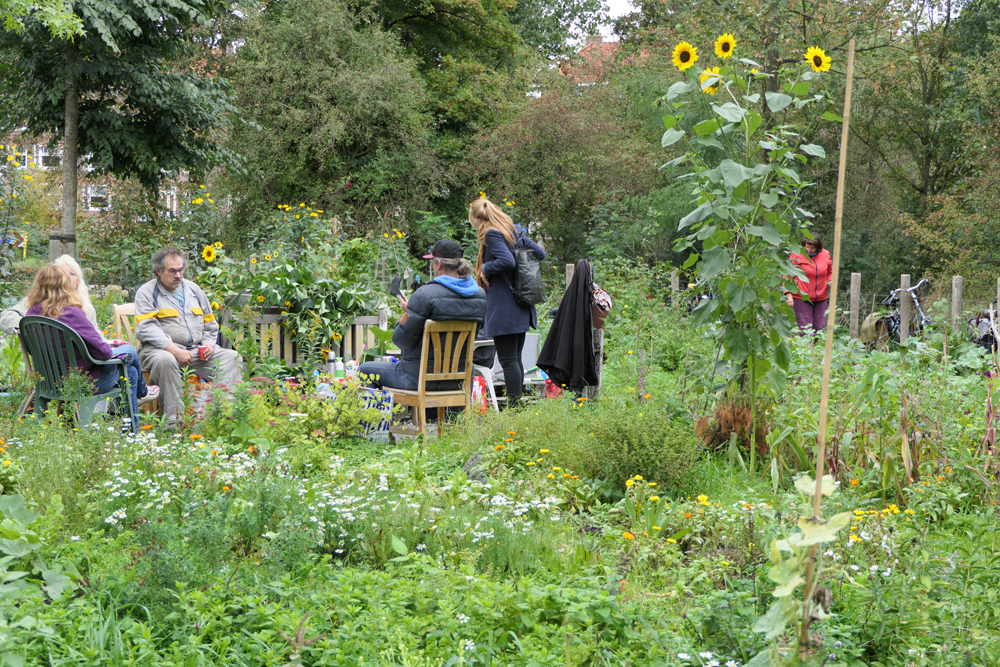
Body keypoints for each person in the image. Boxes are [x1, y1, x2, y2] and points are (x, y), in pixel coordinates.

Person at [23, 265, 147, 427]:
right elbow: (103, 353)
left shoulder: (31, 314)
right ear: (67, 285)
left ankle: (134, 421)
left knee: (129, 372)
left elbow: (34, 351)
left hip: (49, 383)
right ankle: (141, 396)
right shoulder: (71, 313)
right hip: (83, 383)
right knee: (129, 351)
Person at [134, 247, 242, 429]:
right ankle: (175, 425)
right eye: (172, 271)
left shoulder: (193, 290)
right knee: (166, 360)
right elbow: (146, 328)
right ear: (159, 271)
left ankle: (223, 419)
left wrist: (209, 345)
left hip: (195, 351)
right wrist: (174, 350)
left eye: (181, 270)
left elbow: (210, 323)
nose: (178, 275)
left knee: (232, 357)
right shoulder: (146, 292)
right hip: (159, 351)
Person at [359, 239, 486, 391]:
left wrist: (408, 312)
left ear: (438, 264)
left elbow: (401, 341)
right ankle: (456, 415)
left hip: (419, 378)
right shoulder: (480, 295)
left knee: (364, 370)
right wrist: (413, 310)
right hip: (461, 379)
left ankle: (375, 415)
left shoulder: (425, 295)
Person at [470, 198, 545, 408]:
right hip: (521, 304)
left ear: (477, 218)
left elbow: (508, 261)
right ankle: (517, 405)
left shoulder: (492, 233)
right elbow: (540, 253)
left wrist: (485, 268)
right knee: (515, 359)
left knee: (508, 360)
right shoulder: (514, 231)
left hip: (505, 307)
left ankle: (514, 408)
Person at [1, 254, 98, 335]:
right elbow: (6, 317)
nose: (67, 278)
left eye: (72, 274)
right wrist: (33, 329)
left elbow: (98, 338)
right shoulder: (38, 302)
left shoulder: (87, 307)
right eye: (63, 274)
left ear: (78, 280)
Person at [784, 234, 833, 335]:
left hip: (821, 298)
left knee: (819, 329)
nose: (809, 250)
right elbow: (787, 274)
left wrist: (830, 281)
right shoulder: (797, 254)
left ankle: (811, 350)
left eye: (812, 248)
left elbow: (830, 271)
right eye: (807, 247)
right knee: (806, 330)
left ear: (818, 247)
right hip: (801, 298)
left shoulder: (825, 254)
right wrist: (788, 294)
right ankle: (808, 349)